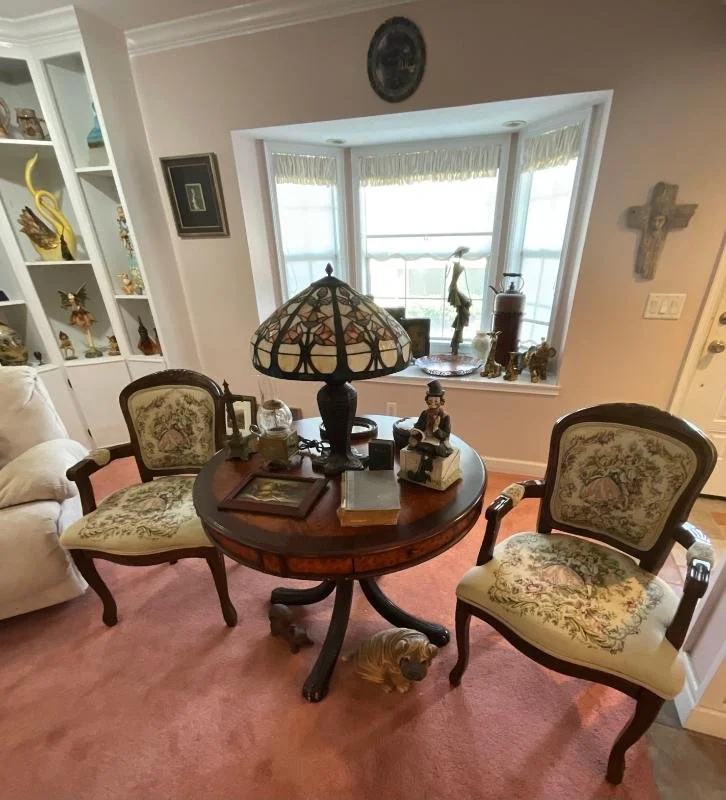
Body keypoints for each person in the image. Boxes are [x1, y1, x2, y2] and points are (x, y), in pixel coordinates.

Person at [408, 380, 453, 458]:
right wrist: (415, 431)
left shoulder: (445, 416)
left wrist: (436, 429)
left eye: (436, 401)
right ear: (427, 400)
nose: (433, 403)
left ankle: (428, 454)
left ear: (441, 401)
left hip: (437, 440)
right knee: (412, 442)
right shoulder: (424, 413)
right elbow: (419, 425)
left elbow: (446, 434)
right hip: (425, 438)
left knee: (439, 450)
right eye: (430, 400)